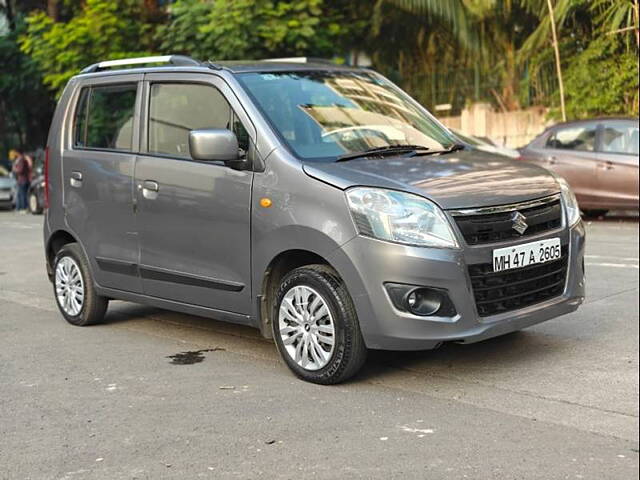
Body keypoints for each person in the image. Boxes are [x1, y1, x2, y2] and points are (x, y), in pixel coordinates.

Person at [11, 148, 31, 213]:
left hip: (23, 180)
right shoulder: (24, 160)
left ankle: (24, 208)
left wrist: (15, 169)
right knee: (21, 194)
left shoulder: (21, 160)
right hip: (23, 180)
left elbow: (20, 170)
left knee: (23, 194)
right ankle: (21, 207)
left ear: (18, 153)